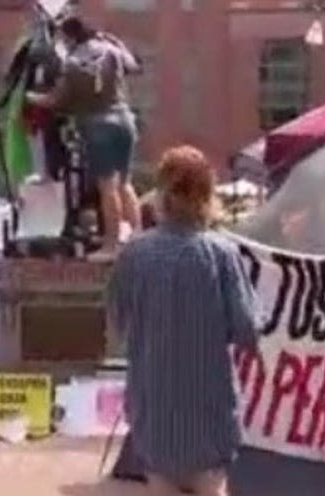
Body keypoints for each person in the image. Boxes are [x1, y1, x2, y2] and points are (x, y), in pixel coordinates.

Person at [107, 145, 260, 496]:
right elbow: (247, 330)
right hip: (210, 417)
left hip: (154, 417)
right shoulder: (222, 254)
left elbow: (118, 323)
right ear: (208, 195)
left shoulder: (134, 253)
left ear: (161, 194)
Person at [28, 14, 143, 253]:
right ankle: (139, 240)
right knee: (125, 184)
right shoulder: (110, 49)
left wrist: (30, 98)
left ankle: (111, 245)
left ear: (70, 37)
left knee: (106, 186)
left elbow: (56, 100)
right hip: (125, 120)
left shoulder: (72, 61)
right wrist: (116, 42)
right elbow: (134, 66)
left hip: (98, 125)